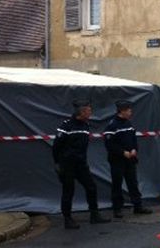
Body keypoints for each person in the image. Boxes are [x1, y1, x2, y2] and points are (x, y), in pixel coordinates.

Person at [52, 98, 110, 229]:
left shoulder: (86, 125)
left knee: (91, 187)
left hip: (81, 164)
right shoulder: (66, 126)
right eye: (89, 110)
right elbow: (56, 146)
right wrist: (57, 163)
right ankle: (67, 219)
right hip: (67, 164)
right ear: (82, 112)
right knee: (68, 191)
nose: (91, 113)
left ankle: (94, 215)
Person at [104, 99, 152, 218]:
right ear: (122, 111)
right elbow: (109, 144)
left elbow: (133, 139)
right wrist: (122, 152)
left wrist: (135, 149)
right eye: (129, 110)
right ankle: (117, 208)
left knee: (133, 183)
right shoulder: (112, 125)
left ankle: (138, 206)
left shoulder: (128, 124)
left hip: (130, 159)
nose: (131, 112)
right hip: (117, 160)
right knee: (117, 184)